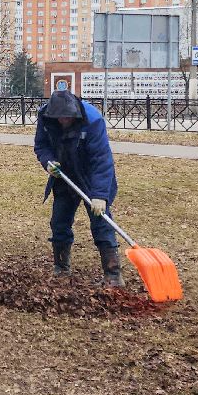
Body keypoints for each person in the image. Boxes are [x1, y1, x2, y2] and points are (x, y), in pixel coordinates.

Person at [33, 87, 122, 287]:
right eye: (60, 118)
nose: (64, 121)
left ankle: (113, 275)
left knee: (101, 221)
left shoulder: (92, 120)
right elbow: (41, 145)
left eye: (67, 117)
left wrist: (100, 195)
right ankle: (61, 268)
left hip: (91, 177)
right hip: (64, 175)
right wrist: (48, 162)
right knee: (59, 221)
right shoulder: (46, 117)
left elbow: (102, 160)